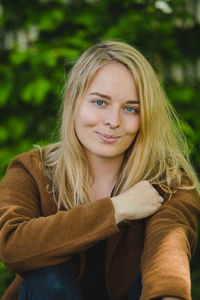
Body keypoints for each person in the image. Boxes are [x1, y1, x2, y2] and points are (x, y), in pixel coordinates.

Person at [0, 40, 199, 300]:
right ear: (74, 101)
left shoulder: (169, 181)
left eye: (130, 108)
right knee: (47, 274)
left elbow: (167, 257)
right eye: (100, 102)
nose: (113, 122)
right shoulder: (30, 170)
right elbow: (13, 246)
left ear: (145, 117)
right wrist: (116, 209)